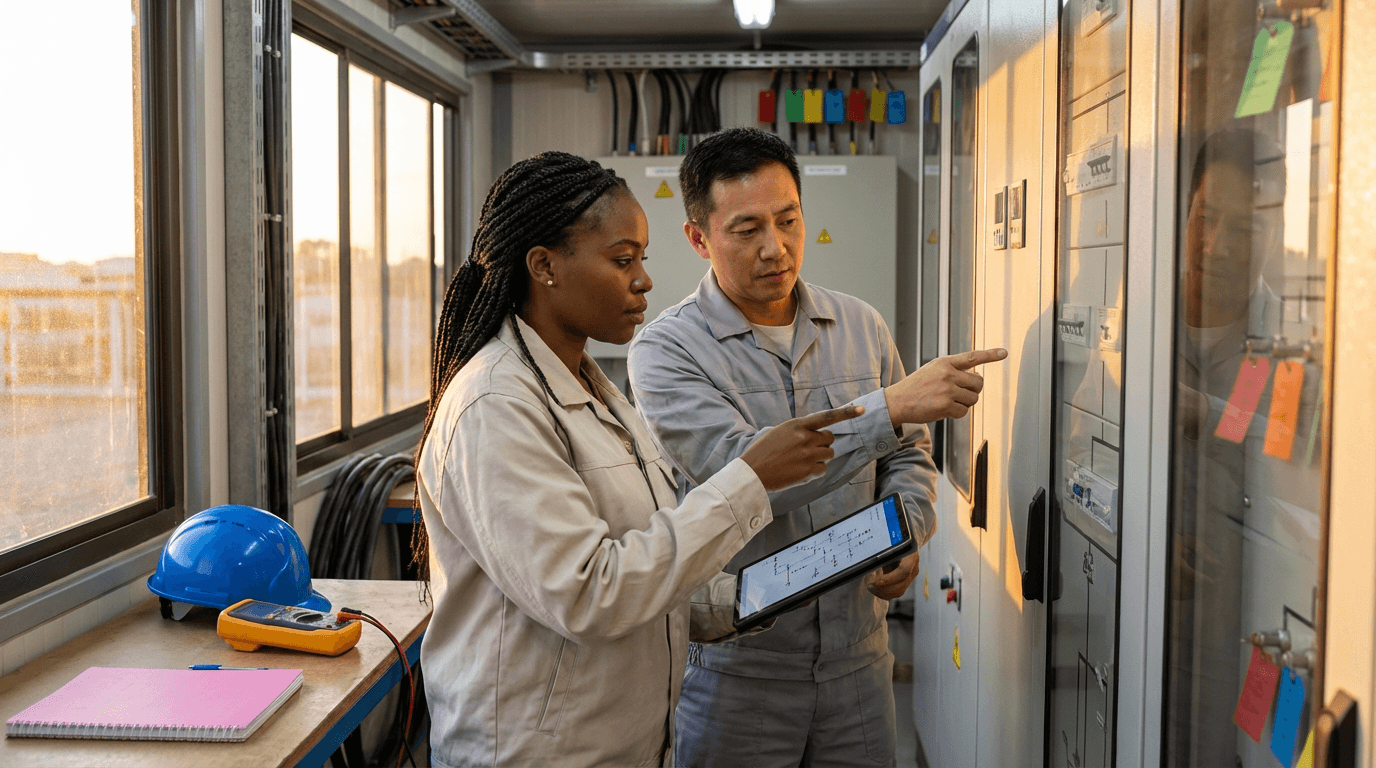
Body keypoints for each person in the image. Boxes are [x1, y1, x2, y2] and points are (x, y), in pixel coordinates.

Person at [412, 151, 865, 768]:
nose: (644, 280)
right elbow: (590, 592)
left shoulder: (593, 388)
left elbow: (638, 551)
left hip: (619, 742)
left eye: (642, 260)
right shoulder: (495, 405)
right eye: (623, 261)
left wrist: (738, 599)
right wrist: (751, 478)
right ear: (543, 266)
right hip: (534, 752)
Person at [627, 127, 1006, 767]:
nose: (776, 248)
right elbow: (744, 473)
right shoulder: (666, 353)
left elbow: (908, 455)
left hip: (859, 665)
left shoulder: (859, 325)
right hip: (738, 673)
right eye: (747, 229)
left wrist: (905, 532)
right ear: (699, 238)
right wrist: (890, 406)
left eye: (789, 219)